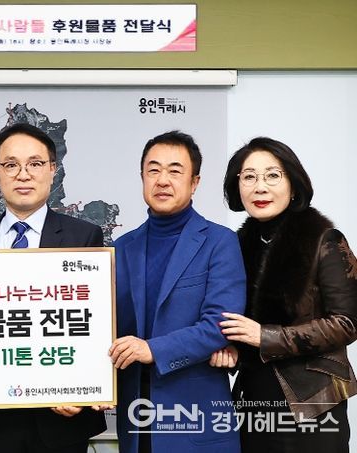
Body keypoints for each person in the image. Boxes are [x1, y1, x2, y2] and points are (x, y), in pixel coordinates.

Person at [0, 122, 107, 453]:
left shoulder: (84, 237)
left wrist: (82, 389)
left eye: (35, 163)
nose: (23, 174)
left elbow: (94, 322)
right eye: (11, 165)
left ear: (53, 170)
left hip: (62, 416)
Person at [110, 130, 246, 453]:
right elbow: (107, 328)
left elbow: (219, 325)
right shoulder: (121, 247)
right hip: (136, 424)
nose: (162, 180)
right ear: (142, 177)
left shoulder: (220, 242)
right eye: (153, 170)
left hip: (196, 423)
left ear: (194, 182)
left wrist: (152, 350)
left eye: (175, 171)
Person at [220, 137, 357, 452]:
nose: (260, 187)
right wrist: (231, 348)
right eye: (249, 177)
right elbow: (239, 325)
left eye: (272, 175)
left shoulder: (325, 239)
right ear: (237, 187)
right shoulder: (234, 248)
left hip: (313, 405)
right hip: (253, 402)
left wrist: (264, 336)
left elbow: (347, 322)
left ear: (293, 186)